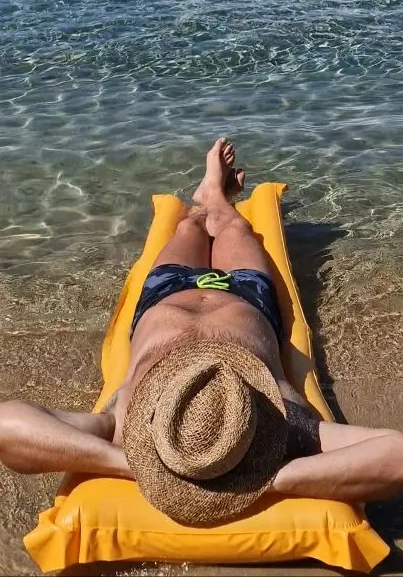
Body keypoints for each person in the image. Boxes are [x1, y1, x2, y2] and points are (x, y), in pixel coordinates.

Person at [0, 139, 402, 524]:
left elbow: (8, 427)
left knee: (189, 230)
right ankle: (216, 198)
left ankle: (208, 196)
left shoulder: (124, 426)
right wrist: (267, 477)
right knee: (233, 229)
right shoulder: (285, 426)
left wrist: (131, 462)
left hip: (165, 293)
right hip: (248, 296)